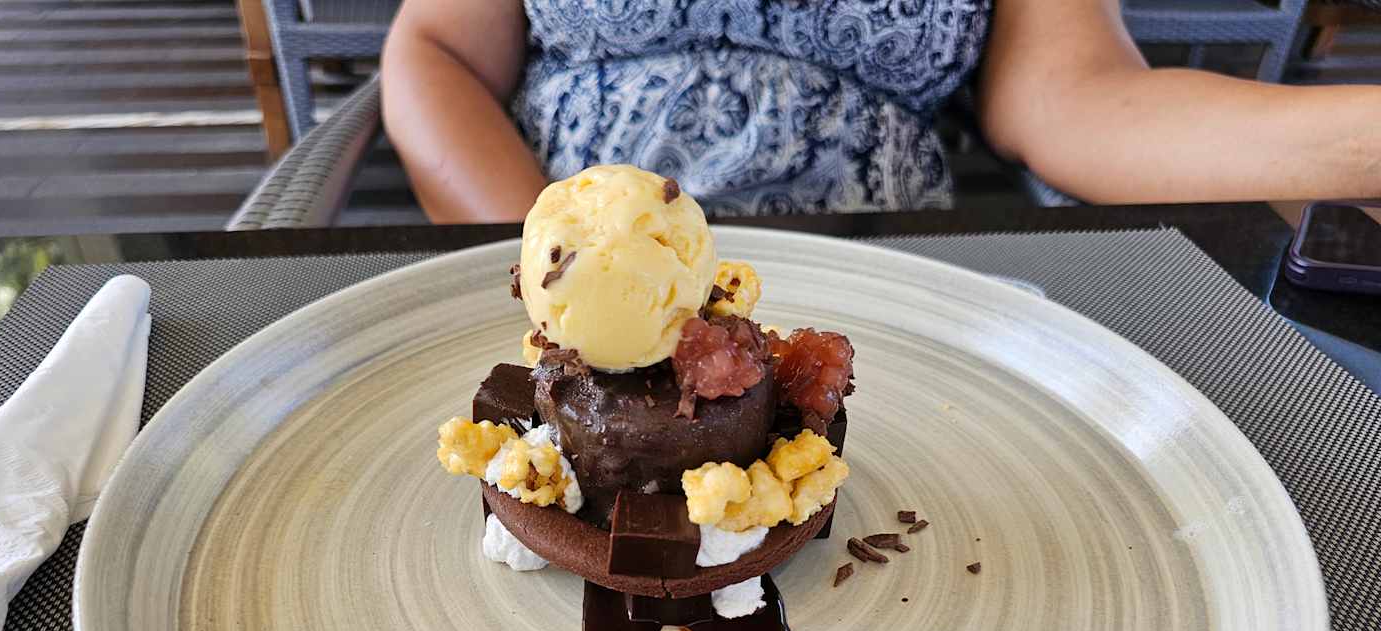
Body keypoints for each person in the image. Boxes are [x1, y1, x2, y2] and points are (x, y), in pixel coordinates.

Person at [380, 0, 1381, 223]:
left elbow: (1074, 97)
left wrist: (1354, 144)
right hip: (551, 252)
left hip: (876, 287)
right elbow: (436, 51)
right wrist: (538, 262)